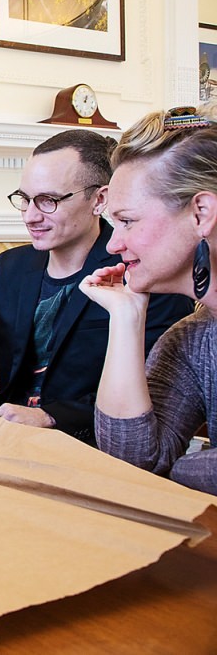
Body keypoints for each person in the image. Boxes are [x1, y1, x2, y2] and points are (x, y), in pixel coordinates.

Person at [0, 130, 193, 445]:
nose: (30, 216)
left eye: (47, 200)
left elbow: (148, 392)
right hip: (4, 431)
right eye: (25, 199)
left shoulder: (142, 273)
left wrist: (49, 417)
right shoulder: (10, 267)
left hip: (86, 443)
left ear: (99, 199)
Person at [80, 104, 217, 494]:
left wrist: (183, 470)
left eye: (127, 221)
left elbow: (171, 471)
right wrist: (126, 318)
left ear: (201, 213)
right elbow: (132, 464)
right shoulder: (192, 339)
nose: (113, 243)